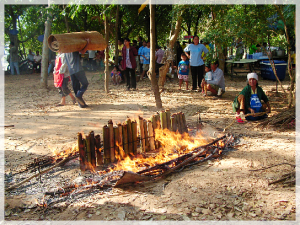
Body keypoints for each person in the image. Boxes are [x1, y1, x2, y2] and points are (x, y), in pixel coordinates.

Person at [64, 39, 90, 108]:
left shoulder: (65, 51)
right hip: (78, 69)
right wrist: (87, 43)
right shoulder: (73, 48)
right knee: (85, 83)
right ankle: (79, 95)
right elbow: (83, 52)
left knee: (76, 87)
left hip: (71, 71)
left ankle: (81, 104)